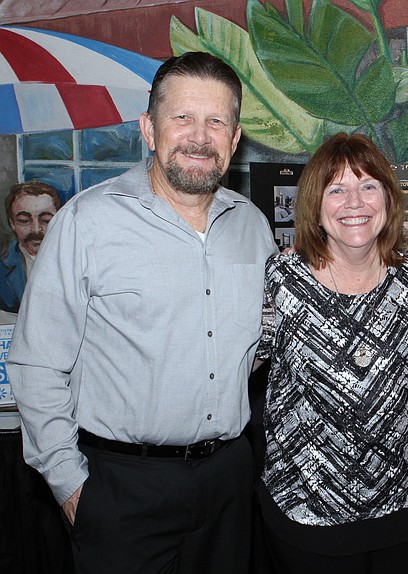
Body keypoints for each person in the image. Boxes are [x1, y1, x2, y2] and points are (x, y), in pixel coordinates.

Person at [7, 51, 278, 574]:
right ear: (149, 129)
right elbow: (35, 364)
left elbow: (258, 345)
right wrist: (70, 485)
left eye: (216, 121)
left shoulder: (252, 226)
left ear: (235, 138)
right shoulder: (87, 222)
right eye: (182, 118)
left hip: (228, 482)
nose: (200, 136)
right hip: (119, 488)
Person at [255, 132, 408, 574]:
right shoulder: (281, 280)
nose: (354, 202)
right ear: (315, 207)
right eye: (336, 189)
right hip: (308, 514)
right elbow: (242, 363)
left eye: (368, 186)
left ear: (388, 198)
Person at [0, 181, 61, 313]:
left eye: (46, 220)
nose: (36, 229)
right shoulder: (2, 269)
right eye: (24, 220)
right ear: (12, 223)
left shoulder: (76, 262)